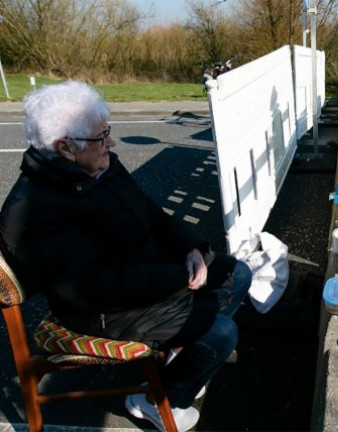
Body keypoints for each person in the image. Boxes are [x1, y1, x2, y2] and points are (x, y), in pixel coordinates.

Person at [0, 81, 252, 431]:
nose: (111, 143)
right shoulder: (33, 212)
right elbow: (96, 288)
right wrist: (180, 278)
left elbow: (150, 212)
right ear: (65, 147)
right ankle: (154, 400)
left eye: (108, 132)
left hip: (139, 276)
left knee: (237, 274)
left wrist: (189, 248)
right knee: (220, 333)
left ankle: (183, 364)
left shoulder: (96, 166)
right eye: (101, 137)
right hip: (99, 311)